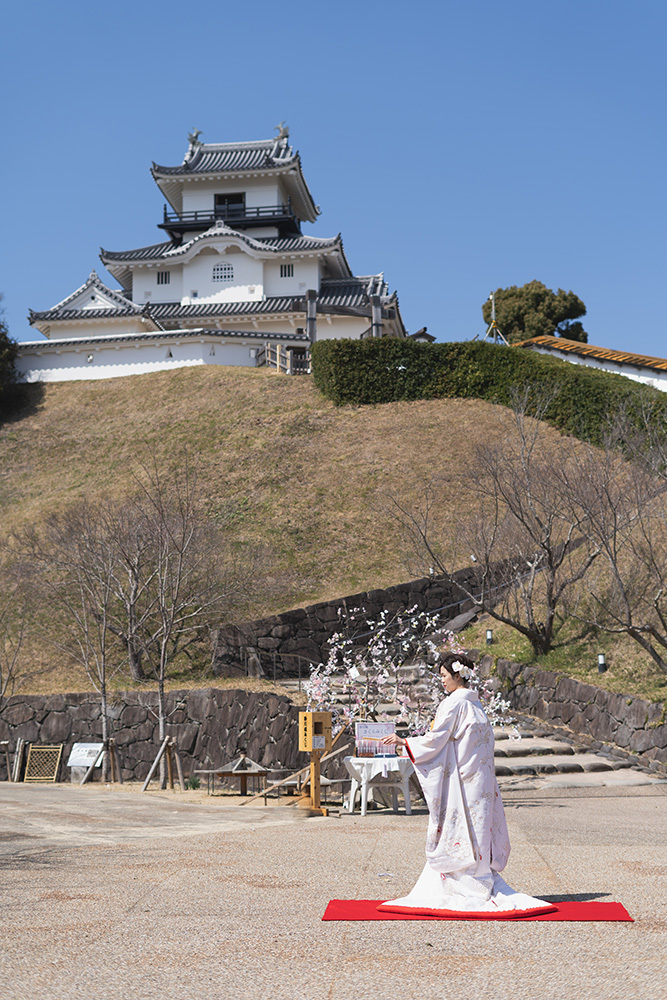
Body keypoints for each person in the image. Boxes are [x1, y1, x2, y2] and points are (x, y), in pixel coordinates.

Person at [378, 652, 555, 916]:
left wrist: (405, 742)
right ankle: (479, 878)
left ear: (458, 675)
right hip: (480, 777)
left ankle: (462, 882)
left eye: (444, 675)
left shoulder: (454, 703)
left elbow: (437, 738)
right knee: (478, 826)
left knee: (462, 826)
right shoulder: (475, 704)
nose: (442, 681)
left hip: (462, 779)